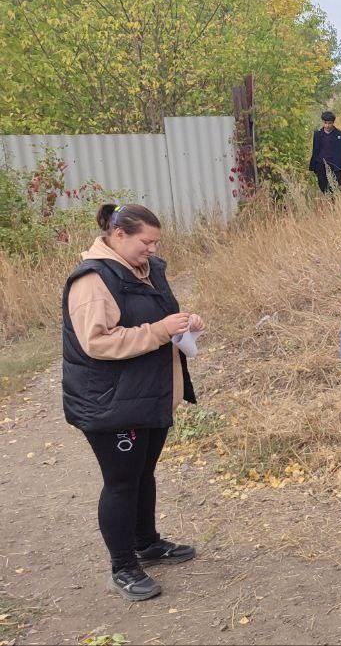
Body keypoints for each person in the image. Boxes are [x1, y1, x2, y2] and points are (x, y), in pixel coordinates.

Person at [62, 203, 203, 601]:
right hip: (109, 402)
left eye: (156, 243)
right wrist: (160, 330)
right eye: (146, 242)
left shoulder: (148, 269)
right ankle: (122, 567)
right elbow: (97, 342)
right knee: (122, 481)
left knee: (144, 473)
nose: (153, 250)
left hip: (148, 393)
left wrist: (185, 324)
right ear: (119, 235)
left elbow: (157, 320)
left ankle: (147, 543)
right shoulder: (92, 280)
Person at [309, 110, 341, 194]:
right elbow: (315, 150)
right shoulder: (317, 134)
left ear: (333, 123)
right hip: (322, 165)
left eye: (329, 123)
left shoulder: (340, 135)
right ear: (322, 122)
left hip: (336, 165)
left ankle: (335, 200)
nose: (327, 125)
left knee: (337, 187)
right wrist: (313, 166)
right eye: (325, 123)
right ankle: (328, 200)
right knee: (323, 186)